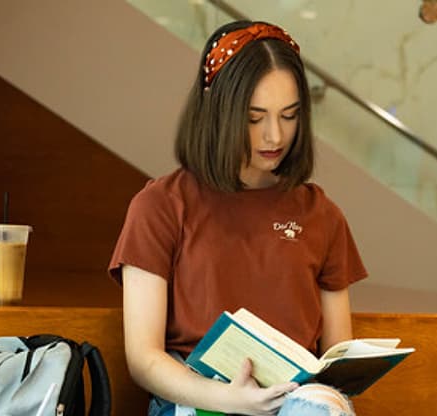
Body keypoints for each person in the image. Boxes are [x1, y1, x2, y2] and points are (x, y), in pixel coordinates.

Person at [108, 20, 367, 416]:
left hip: (293, 401)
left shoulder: (321, 215)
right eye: (254, 117)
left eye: (289, 115)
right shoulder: (160, 205)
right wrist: (229, 399)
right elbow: (144, 360)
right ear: (219, 111)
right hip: (197, 397)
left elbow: (334, 358)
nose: (274, 136)